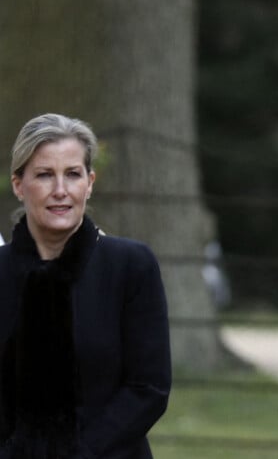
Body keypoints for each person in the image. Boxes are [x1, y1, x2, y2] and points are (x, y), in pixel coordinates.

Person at [0, 113, 171, 459]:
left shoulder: (130, 266)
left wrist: (80, 453)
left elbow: (148, 388)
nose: (60, 190)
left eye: (73, 174)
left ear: (90, 182)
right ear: (18, 185)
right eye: (45, 175)